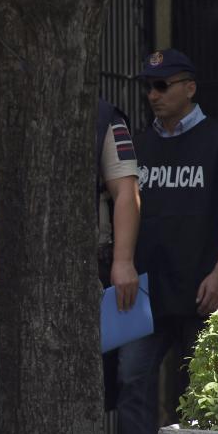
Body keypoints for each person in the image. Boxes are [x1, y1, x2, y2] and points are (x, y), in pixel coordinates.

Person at [116, 49, 218, 434]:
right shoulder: (138, 146)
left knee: (201, 394)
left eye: (162, 86)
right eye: (149, 87)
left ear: (190, 88)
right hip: (144, 293)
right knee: (131, 383)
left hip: (202, 294)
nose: (153, 95)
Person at [96, 98, 140, 412]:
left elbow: (126, 190)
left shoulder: (102, 118)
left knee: (103, 377)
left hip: (89, 261)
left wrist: (122, 261)